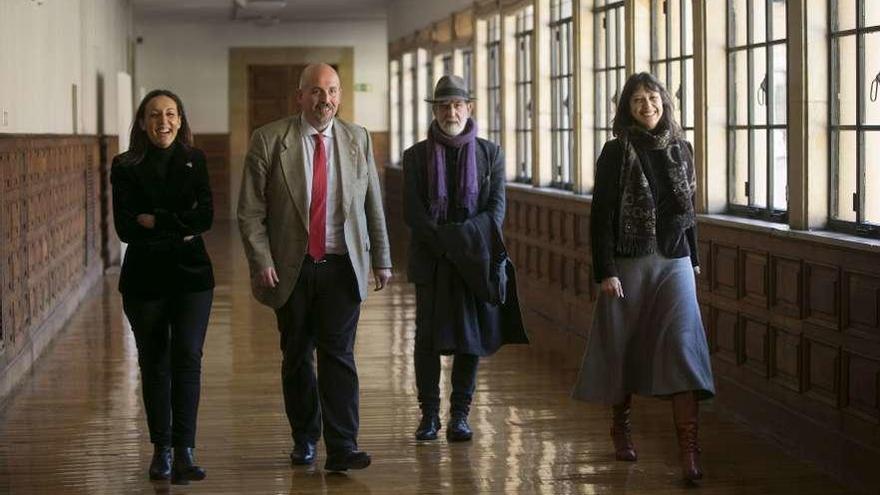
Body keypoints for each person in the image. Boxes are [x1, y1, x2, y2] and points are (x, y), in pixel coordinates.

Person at [237, 63, 392, 472]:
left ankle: (343, 445)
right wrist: (261, 259)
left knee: (339, 355)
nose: (326, 100)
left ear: (340, 96)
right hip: (293, 268)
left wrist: (382, 258)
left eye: (333, 91)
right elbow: (249, 212)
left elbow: (372, 203)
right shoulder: (270, 140)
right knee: (297, 355)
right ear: (300, 97)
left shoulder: (357, 138)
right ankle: (305, 438)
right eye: (317, 92)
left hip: (343, 266)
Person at [571, 72, 715, 482]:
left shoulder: (681, 149)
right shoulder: (615, 152)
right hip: (628, 261)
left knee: (684, 349)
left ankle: (689, 452)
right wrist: (605, 271)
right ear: (627, 108)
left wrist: (696, 259)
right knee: (622, 347)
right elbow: (600, 216)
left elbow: (689, 209)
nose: (647, 105)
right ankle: (621, 429)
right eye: (637, 100)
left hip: (675, 260)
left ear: (664, 102)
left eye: (652, 97)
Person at [402, 75, 528, 443]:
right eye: (443, 105)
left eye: (457, 104)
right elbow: (414, 213)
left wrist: (460, 241)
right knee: (426, 339)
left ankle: (460, 415)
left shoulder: (491, 154)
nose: (450, 111)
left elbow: (495, 211)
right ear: (434, 110)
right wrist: (448, 243)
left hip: (475, 262)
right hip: (432, 261)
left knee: (470, 340)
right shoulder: (415, 157)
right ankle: (428, 416)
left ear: (469, 108)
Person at [111, 89, 214, 485]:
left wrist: (154, 220)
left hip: (193, 278)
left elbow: (204, 217)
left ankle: (186, 449)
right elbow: (125, 227)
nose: (164, 122)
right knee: (154, 363)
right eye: (155, 115)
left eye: (171, 114)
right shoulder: (124, 165)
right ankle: (162, 451)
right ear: (142, 122)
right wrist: (179, 225)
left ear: (181, 119)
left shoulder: (196, 159)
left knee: (187, 358)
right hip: (144, 281)